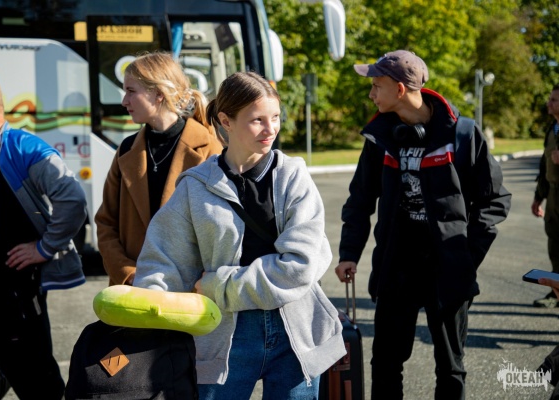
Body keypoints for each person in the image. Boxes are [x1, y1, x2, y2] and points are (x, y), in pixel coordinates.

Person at [134, 71, 346, 399]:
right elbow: (164, 260)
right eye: (257, 120)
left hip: (296, 332)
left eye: (275, 117)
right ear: (226, 121)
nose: (271, 129)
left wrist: (219, 286)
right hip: (220, 336)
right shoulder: (195, 186)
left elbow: (300, 266)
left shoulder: (293, 177)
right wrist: (145, 316)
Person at [334, 50, 512, 400]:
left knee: (450, 366)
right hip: (396, 266)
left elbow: (494, 200)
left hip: (448, 269)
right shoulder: (381, 136)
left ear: (400, 90)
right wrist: (349, 253)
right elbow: (360, 199)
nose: (371, 94)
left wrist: (466, 254)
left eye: (376, 86)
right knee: (385, 362)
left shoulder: (462, 134)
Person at [0, 69, 87, 399]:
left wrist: (45, 247)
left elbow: (72, 199)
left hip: (13, 298)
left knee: (38, 386)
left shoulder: (22, 147)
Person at [94, 50, 224, 286]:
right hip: (133, 291)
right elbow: (106, 223)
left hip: (187, 292)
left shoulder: (209, 149)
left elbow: (220, 229)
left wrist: (201, 282)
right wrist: (127, 273)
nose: (124, 101)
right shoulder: (126, 150)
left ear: (159, 94)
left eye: (131, 91)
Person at [531, 83, 559, 308]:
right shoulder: (553, 129)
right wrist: (538, 197)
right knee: (555, 246)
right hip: (553, 196)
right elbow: (544, 166)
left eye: (554, 100)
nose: (548, 103)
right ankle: (555, 291)